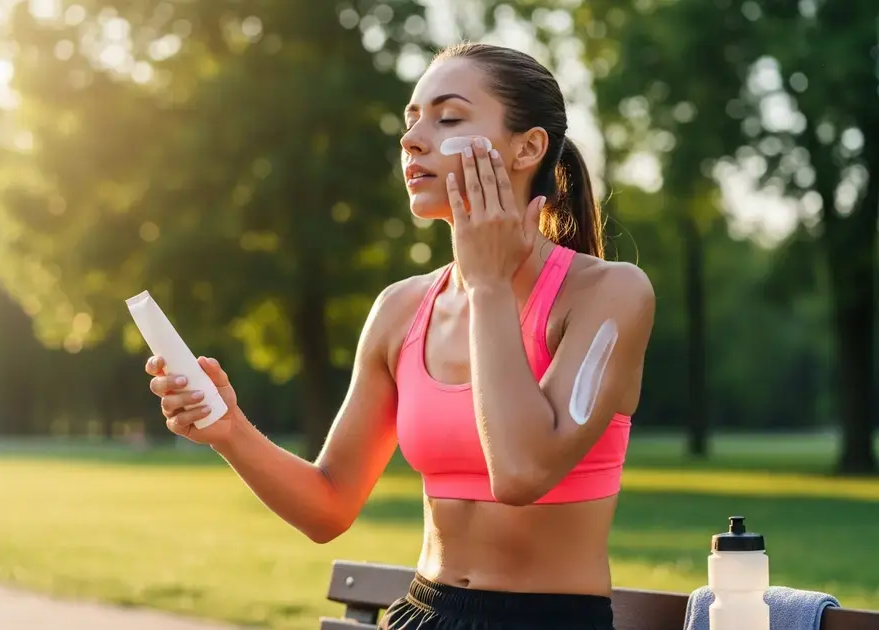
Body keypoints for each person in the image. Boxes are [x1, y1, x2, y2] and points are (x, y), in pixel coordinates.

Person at [145, 43, 655, 630]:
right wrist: (229, 431)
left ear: (528, 147)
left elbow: (520, 473)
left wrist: (488, 284)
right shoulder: (400, 309)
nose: (413, 139)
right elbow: (328, 505)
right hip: (423, 613)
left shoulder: (609, 295)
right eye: (411, 120)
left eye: (449, 117)